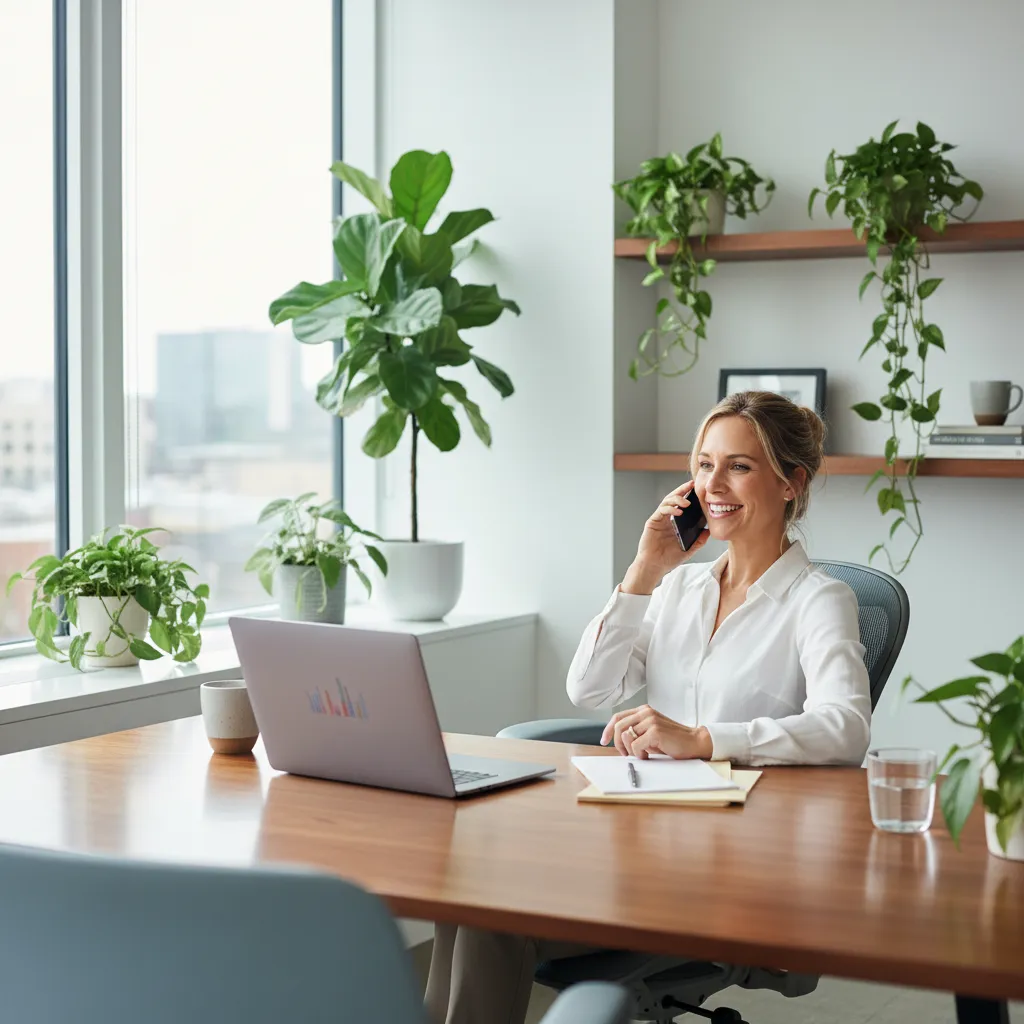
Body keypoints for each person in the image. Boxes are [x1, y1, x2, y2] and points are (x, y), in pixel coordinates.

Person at [424, 390, 871, 1024]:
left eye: (739, 466)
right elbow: (590, 688)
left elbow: (845, 728)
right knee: (468, 898)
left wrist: (705, 739)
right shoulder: (681, 584)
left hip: (742, 866)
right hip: (644, 844)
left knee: (493, 920)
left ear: (791, 482)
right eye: (704, 464)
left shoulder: (818, 599)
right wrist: (642, 570)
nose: (713, 485)